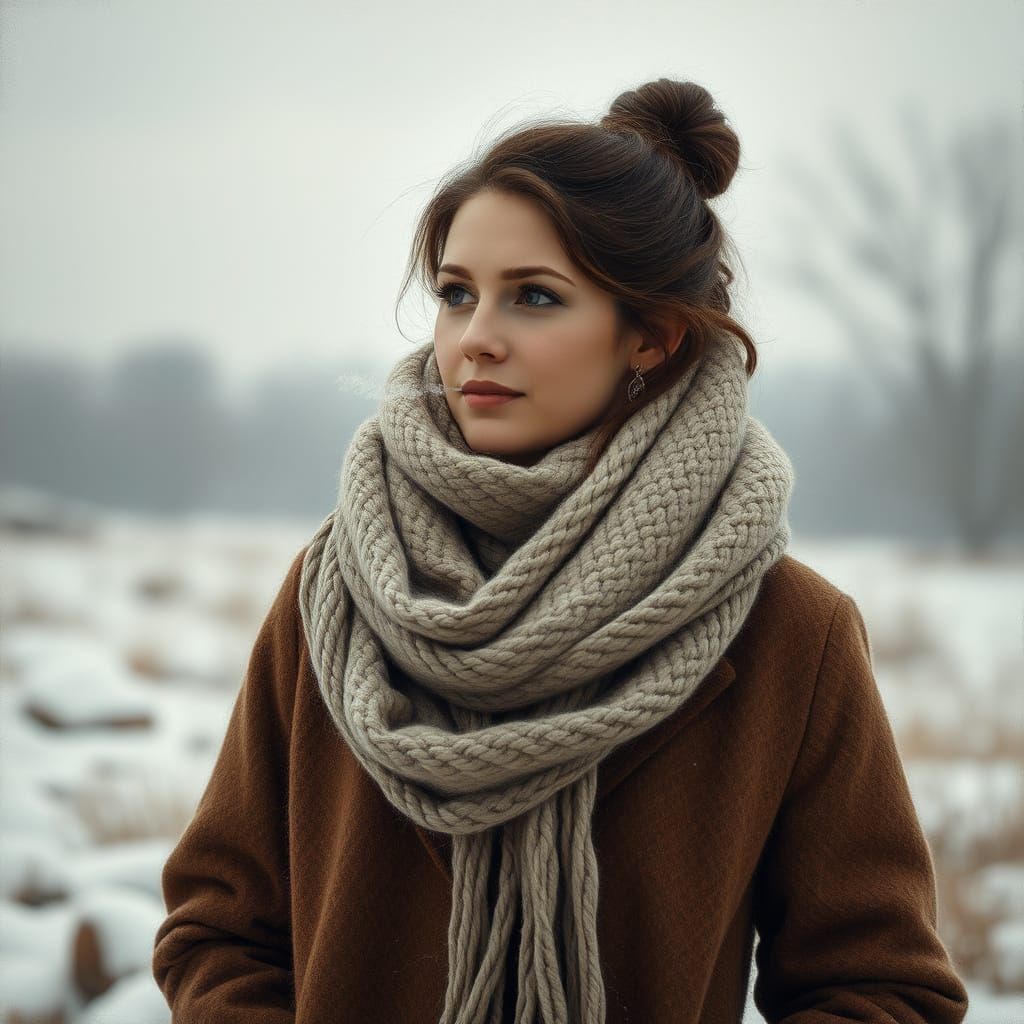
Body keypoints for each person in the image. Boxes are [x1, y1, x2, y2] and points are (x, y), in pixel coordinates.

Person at [152, 78, 970, 1023]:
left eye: (534, 297)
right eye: (456, 295)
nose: (476, 340)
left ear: (651, 337)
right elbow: (219, 929)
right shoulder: (339, 593)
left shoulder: (789, 629)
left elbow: (882, 987)